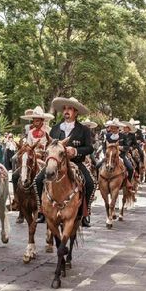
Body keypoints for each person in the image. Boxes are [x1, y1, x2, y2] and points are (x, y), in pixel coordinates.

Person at [35, 96, 95, 227]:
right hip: (56, 163)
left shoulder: (84, 129)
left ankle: (85, 213)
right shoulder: (55, 128)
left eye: (70, 109)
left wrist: (76, 151)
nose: (66, 111)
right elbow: (50, 145)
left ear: (76, 112)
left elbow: (90, 148)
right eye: (65, 109)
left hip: (76, 162)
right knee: (38, 180)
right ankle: (42, 211)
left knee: (91, 183)